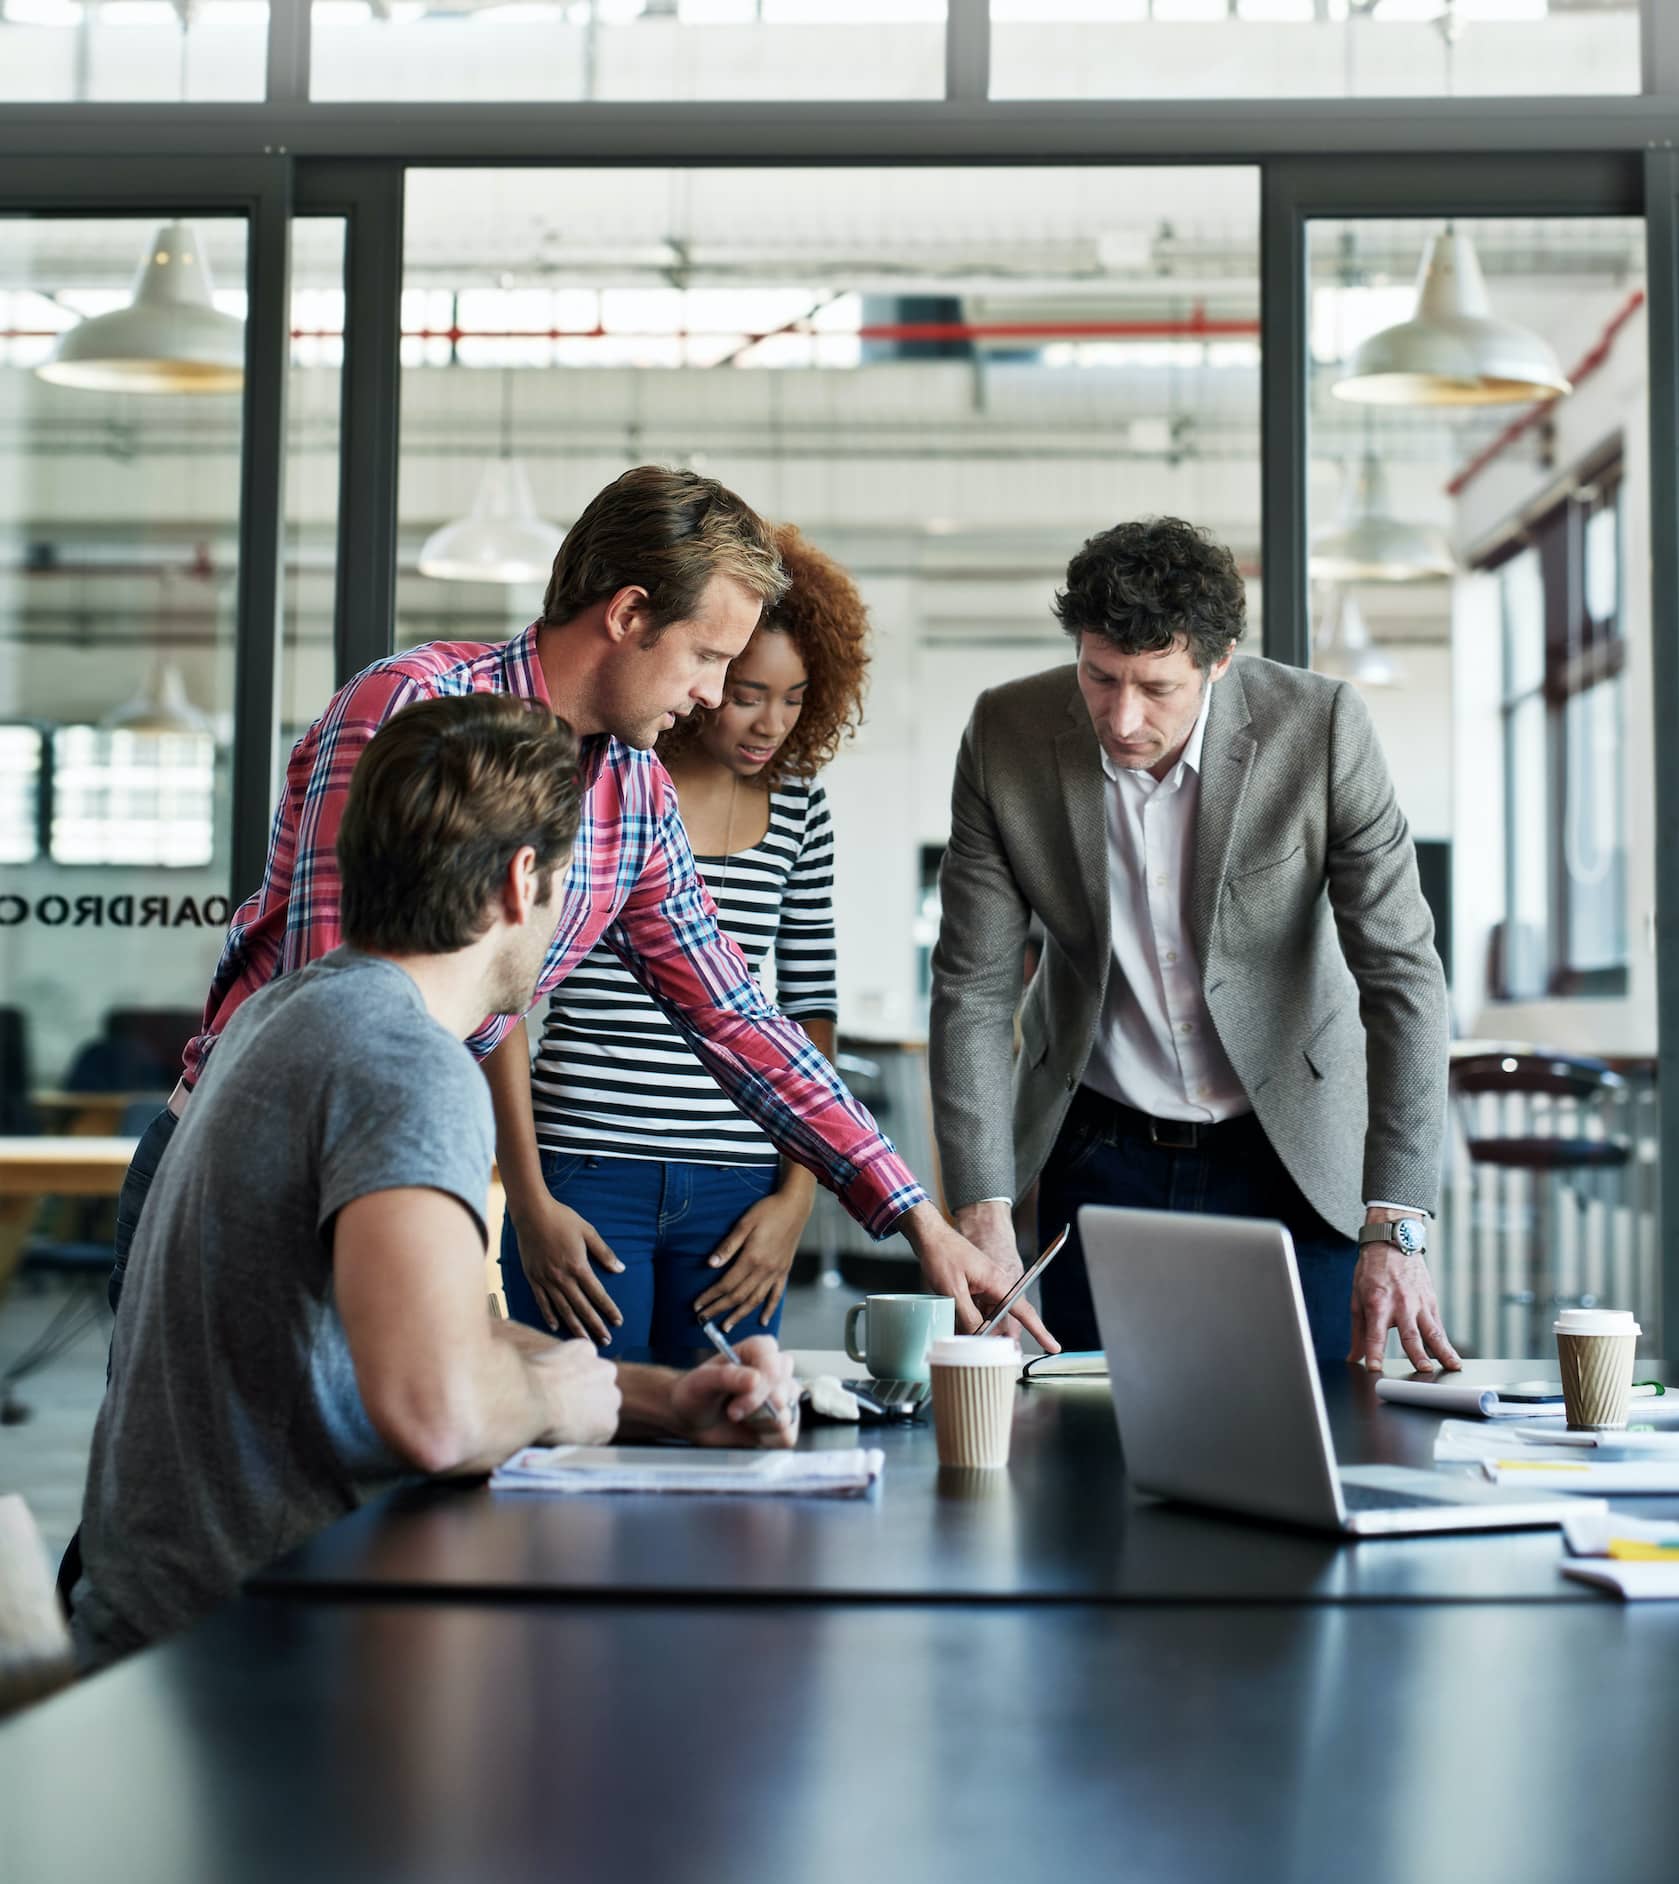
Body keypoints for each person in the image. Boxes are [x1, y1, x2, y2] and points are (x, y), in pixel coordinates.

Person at [106, 465, 1045, 1348]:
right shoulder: (413, 708)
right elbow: (336, 1006)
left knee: (380, 1509)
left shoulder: (633, 792)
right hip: (249, 1172)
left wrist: (915, 1216)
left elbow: (735, 1015)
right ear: (630, 614)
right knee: (183, 1510)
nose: (715, 694)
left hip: (398, 1182)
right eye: (708, 656)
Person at [70, 697, 799, 1669]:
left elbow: (423, 1323)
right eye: (567, 881)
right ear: (518, 881)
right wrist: (553, 1409)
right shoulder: (407, 1065)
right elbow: (436, 1409)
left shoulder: (294, 1012)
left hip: (179, 1630)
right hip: (251, 1667)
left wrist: (663, 1400)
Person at [928, 516, 1457, 1373]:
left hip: (1291, 1151)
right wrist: (981, 1207)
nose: (1123, 716)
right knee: (1093, 1448)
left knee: (1311, 1441)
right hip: (1100, 1152)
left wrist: (1396, 1219)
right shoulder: (1006, 734)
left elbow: (1402, 977)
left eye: (1156, 687)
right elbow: (973, 989)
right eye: (1100, 677)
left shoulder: (1320, 730)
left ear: (1220, 660)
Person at [493, 525, 868, 1363]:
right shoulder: (602, 783)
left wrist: (796, 1201)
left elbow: (803, 1011)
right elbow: (502, 996)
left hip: (739, 1191)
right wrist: (526, 1196)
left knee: (731, 1443)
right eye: (746, 691)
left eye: (797, 696)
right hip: (586, 1168)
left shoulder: (802, 811)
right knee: (579, 1440)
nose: (772, 722)